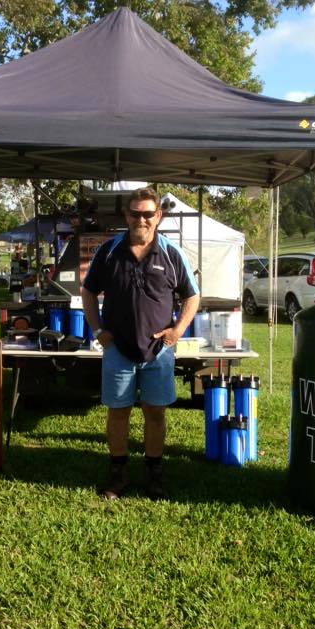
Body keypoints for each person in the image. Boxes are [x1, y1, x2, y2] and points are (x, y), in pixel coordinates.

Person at [81, 187, 200, 501]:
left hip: (158, 353)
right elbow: (88, 292)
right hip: (118, 349)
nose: (141, 219)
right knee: (118, 413)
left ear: (158, 216)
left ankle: (154, 473)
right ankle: (118, 473)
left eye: (148, 213)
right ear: (127, 216)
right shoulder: (108, 252)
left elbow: (193, 295)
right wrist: (97, 330)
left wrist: (177, 330)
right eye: (135, 213)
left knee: (155, 413)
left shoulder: (172, 253)